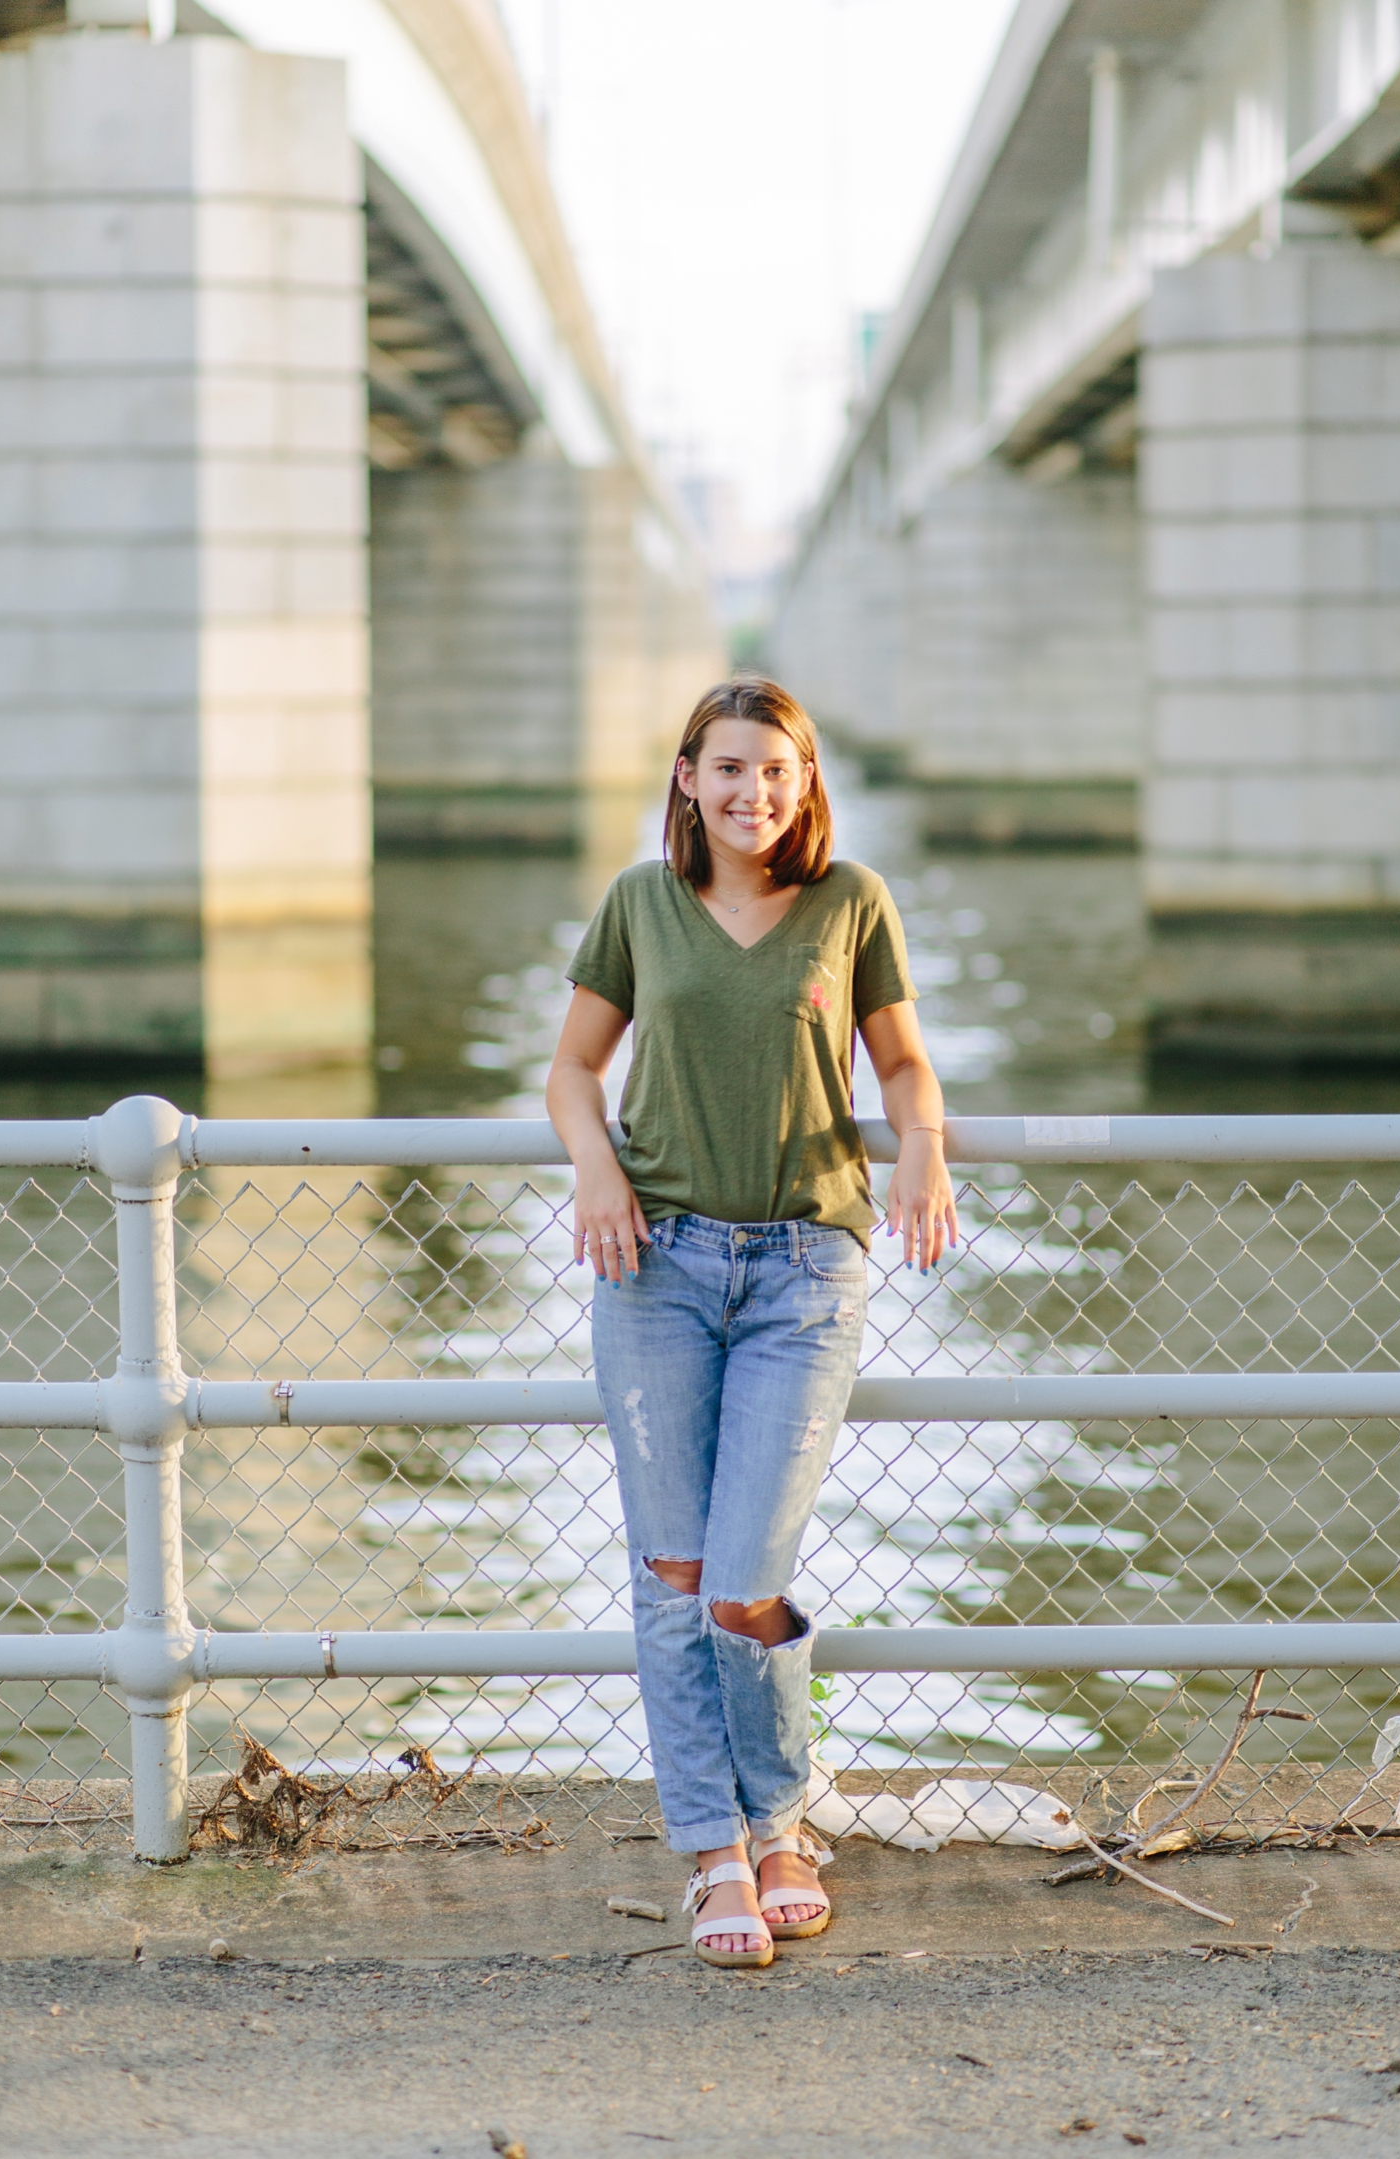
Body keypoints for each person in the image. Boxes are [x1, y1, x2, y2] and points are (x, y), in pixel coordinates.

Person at [546, 677, 957, 1967]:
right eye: (728, 770)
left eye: (774, 772)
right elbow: (573, 1067)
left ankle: (782, 1821)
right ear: (687, 777)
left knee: (745, 1584)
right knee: (674, 1579)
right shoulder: (639, 906)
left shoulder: (852, 904)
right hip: (655, 1267)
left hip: (803, 1274)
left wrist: (923, 1148)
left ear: (804, 781)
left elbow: (898, 1061)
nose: (751, 793)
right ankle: (717, 1854)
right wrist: (597, 1166)